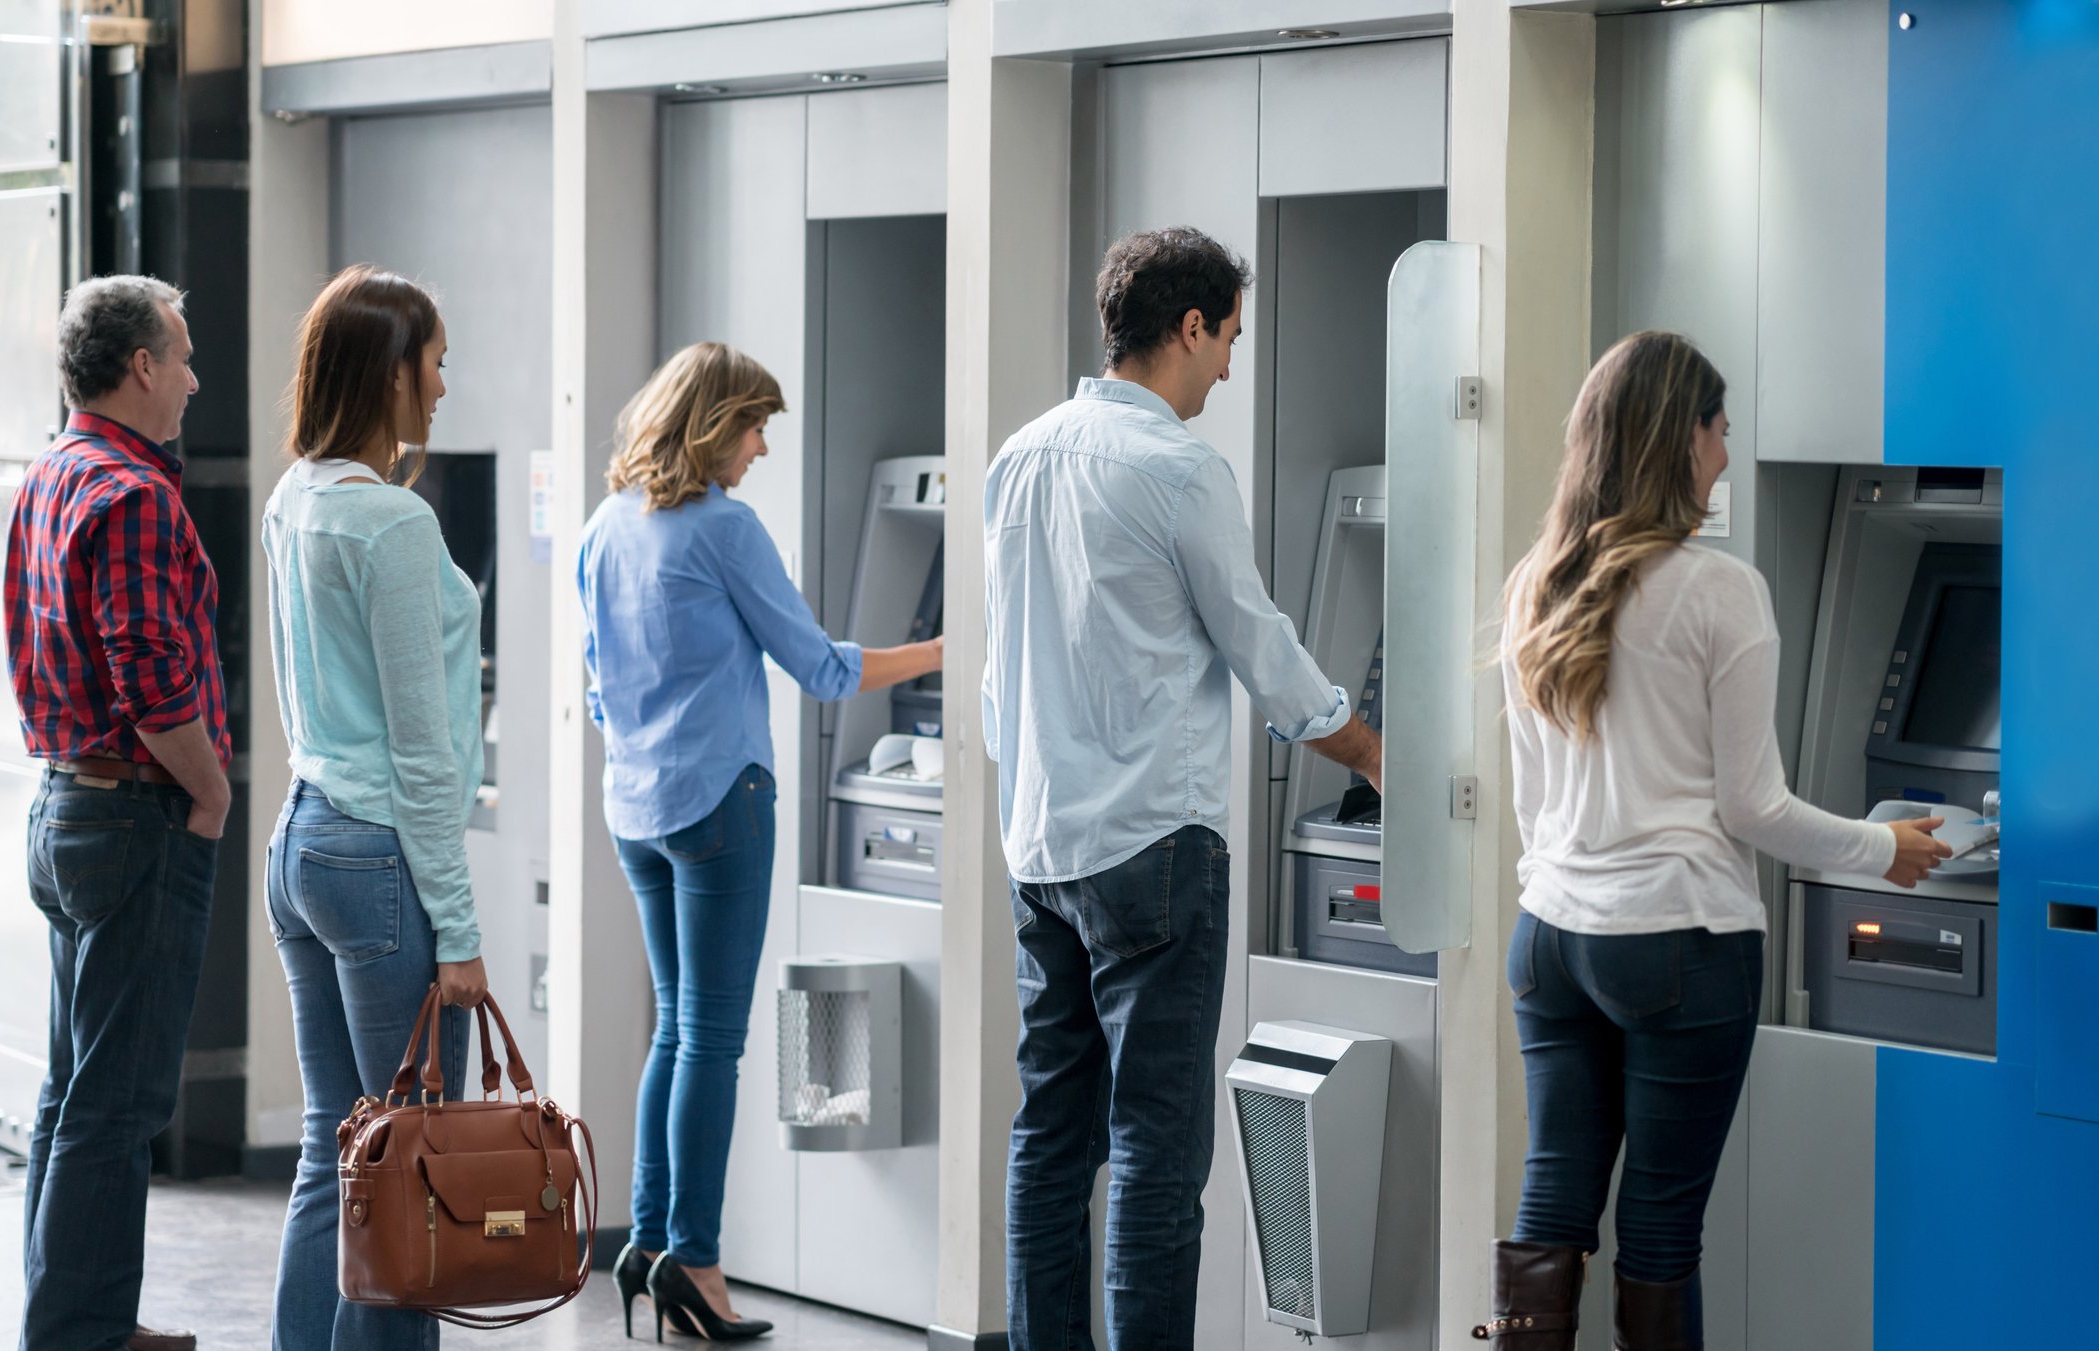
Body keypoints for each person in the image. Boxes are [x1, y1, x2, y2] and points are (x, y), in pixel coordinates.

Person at [1475, 331, 1952, 1350]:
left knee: (1552, 1201)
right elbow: (1754, 807)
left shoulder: (1537, 583)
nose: (1728, 458)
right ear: (1677, 439)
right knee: (1657, 1226)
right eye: (1720, 432)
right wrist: (1886, 851)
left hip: (1551, 936)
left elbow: (1532, 803)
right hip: (1679, 941)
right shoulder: (1718, 591)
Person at [981, 227, 1385, 1350]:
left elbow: (994, 671)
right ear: (1189, 326)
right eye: (1227, 343)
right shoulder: (1179, 470)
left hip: (1042, 849)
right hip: (1156, 849)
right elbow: (1261, 646)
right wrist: (1370, 751)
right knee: (1159, 1149)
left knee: (1051, 1137)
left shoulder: (1019, 457)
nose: (1225, 369)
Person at [576, 342, 942, 1342]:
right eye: (754, 425)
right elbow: (821, 668)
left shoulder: (605, 527)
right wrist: (952, 649)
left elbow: (598, 686)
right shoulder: (723, 530)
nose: (763, 447)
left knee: (675, 1030)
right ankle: (696, 1257)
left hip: (637, 809)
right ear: (712, 424)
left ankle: (646, 1244)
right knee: (714, 1039)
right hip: (719, 804)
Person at [260, 265, 488, 1350]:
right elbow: (425, 751)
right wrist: (462, 928)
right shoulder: (392, 524)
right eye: (434, 362)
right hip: (376, 852)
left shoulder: (292, 498)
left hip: (303, 837)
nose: (444, 386)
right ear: (389, 373)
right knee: (406, 1163)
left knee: (333, 1146)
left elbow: (300, 691)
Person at [8, 275, 226, 1351]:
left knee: (74, 1087)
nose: (192, 377)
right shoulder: (133, 494)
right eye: (181, 356)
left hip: (64, 805)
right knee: (120, 1100)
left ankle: (75, 1314)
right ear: (140, 365)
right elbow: (151, 678)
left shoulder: (53, 472)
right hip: (137, 815)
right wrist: (214, 787)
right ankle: (81, 1332)